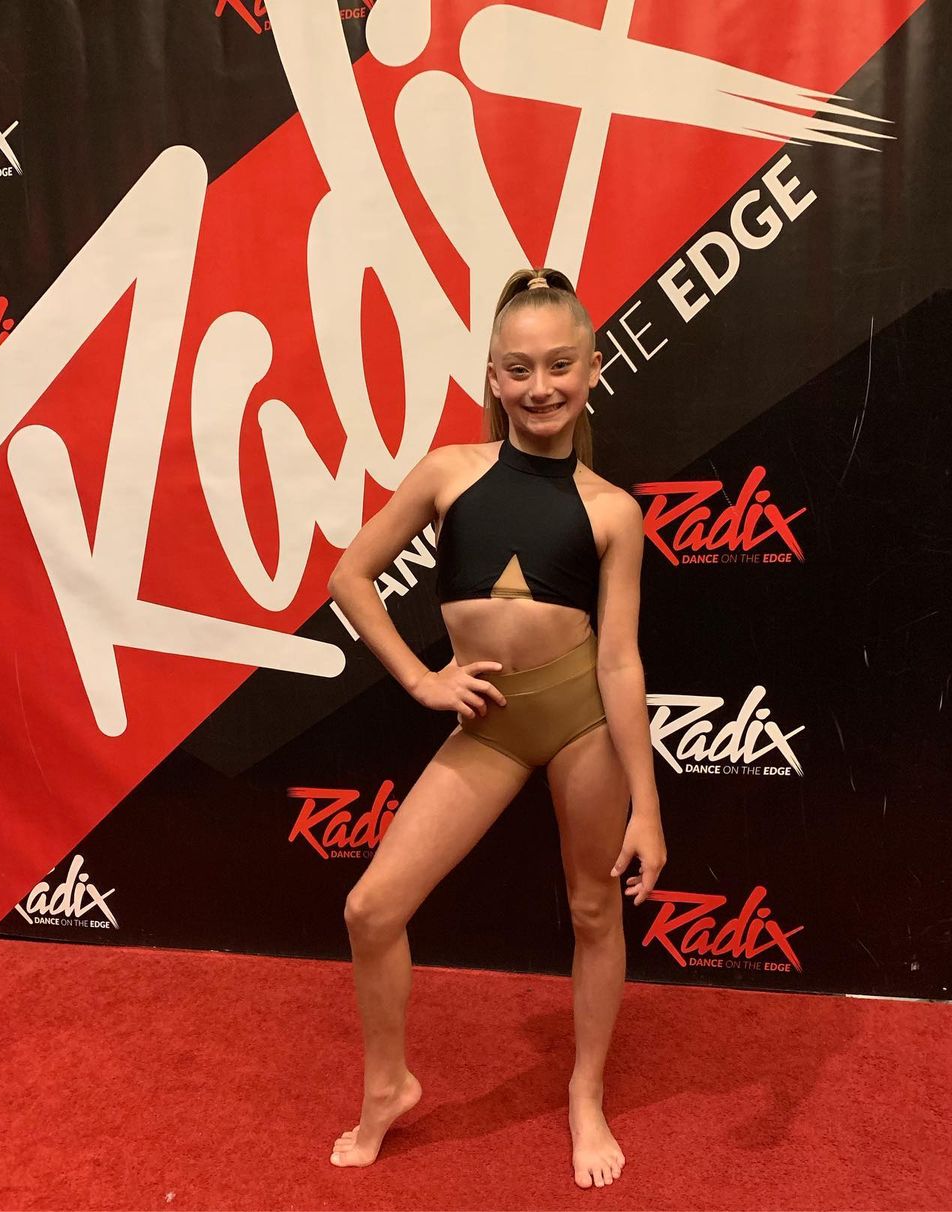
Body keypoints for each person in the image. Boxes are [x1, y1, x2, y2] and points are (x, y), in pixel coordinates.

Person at [325, 267, 666, 1189]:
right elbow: (349, 577)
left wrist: (648, 808)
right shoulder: (450, 473)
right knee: (371, 909)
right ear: (493, 377)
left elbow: (619, 662)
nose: (541, 386)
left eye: (560, 365)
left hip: (584, 723)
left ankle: (585, 1093)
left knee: (594, 910)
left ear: (592, 369)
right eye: (519, 369)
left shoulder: (614, 511)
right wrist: (421, 679)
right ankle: (388, 1084)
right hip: (489, 726)